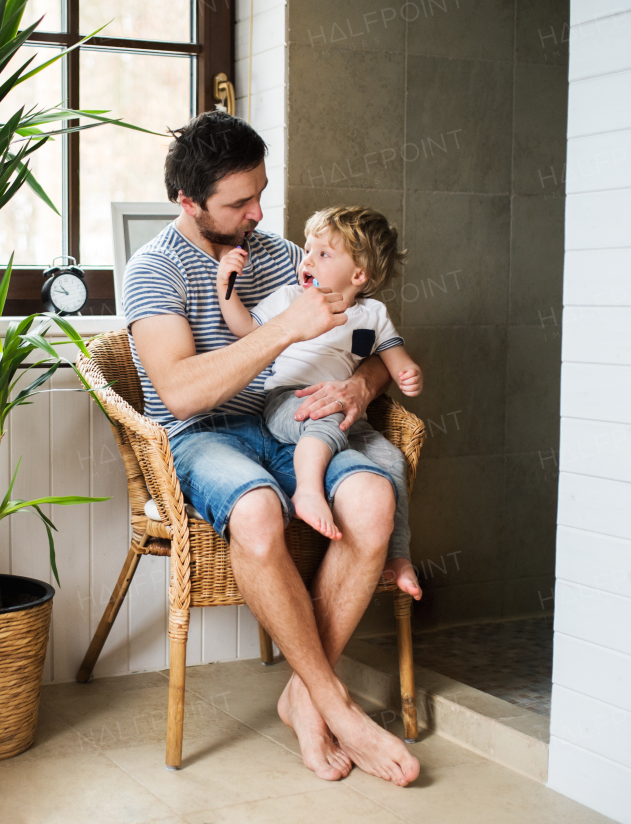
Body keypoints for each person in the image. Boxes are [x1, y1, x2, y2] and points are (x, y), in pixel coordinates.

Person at [122, 110, 420, 786]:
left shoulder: (288, 255)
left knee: (373, 498)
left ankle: (301, 694)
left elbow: (370, 339)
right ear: (189, 203)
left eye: (261, 192)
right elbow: (181, 393)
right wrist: (285, 327)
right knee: (256, 513)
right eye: (238, 202)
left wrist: (361, 386)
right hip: (201, 436)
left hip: (287, 421)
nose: (258, 211)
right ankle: (334, 704)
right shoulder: (155, 270)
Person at [215, 206, 423, 597]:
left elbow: (395, 358)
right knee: (323, 420)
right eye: (307, 250)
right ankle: (307, 491)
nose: (306, 259)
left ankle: (397, 555)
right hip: (287, 402)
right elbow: (246, 331)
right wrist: (225, 287)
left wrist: (409, 372)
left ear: (358, 275)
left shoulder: (373, 314)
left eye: (323, 254)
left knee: (391, 459)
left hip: (345, 412)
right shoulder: (292, 298)